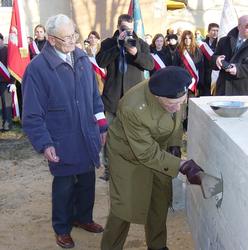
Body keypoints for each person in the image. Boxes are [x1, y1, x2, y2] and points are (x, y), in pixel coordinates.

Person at [22, 14, 108, 249]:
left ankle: (83, 217)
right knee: (64, 186)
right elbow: (31, 114)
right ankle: (62, 228)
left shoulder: (81, 57)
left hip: (87, 133)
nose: (73, 41)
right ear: (51, 39)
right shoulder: (37, 69)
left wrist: (101, 125)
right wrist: (45, 143)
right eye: (66, 37)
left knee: (88, 181)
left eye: (74, 35)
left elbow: (94, 97)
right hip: (61, 138)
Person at [100, 66, 204, 250]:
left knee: (159, 200)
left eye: (182, 101)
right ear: (156, 97)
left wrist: (174, 144)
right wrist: (182, 165)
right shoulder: (133, 106)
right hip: (128, 155)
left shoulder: (175, 91)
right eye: (172, 104)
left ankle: (157, 246)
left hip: (159, 151)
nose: (178, 107)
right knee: (124, 206)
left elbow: (176, 121)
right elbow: (146, 153)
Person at [96, 14, 154, 181]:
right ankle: (109, 169)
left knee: (135, 135)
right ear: (118, 27)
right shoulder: (108, 43)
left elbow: (149, 65)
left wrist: (135, 53)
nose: (127, 32)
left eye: (129, 29)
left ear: (133, 27)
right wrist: (117, 45)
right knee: (109, 136)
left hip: (134, 99)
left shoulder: (141, 44)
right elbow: (100, 61)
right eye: (123, 29)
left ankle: (134, 166)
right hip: (112, 98)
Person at [212, 15, 248, 95]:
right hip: (224, 90)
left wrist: (238, 69)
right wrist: (216, 60)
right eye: (247, 26)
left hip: (244, 92)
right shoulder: (224, 41)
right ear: (239, 27)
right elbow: (213, 60)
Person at [178, 30, 204, 96]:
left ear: (192, 39)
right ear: (183, 39)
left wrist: (199, 85)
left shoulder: (197, 51)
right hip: (182, 81)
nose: (187, 40)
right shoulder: (178, 50)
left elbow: (201, 68)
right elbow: (176, 66)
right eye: (185, 38)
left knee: (192, 102)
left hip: (193, 82)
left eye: (189, 38)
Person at [201, 23, 219, 96]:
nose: (215, 33)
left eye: (217, 31)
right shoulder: (203, 44)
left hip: (216, 73)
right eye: (213, 30)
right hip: (205, 73)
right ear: (208, 31)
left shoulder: (220, 44)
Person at [0, 33, 12, 131]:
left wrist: (12, 82)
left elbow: (11, 67)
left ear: (2, 40)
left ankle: (7, 124)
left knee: (6, 104)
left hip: (5, 81)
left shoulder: (7, 50)